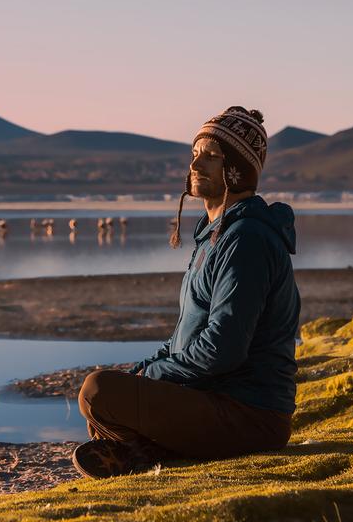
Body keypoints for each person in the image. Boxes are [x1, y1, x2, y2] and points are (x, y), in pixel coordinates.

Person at [72, 106, 301, 478]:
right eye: (195, 154)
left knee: (98, 391)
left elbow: (223, 348)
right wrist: (143, 371)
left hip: (250, 413)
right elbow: (186, 336)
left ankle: (146, 453)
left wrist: (152, 377)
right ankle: (147, 450)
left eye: (211, 156)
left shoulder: (247, 240)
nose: (195, 165)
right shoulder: (216, 236)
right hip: (214, 398)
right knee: (110, 395)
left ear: (238, 169)